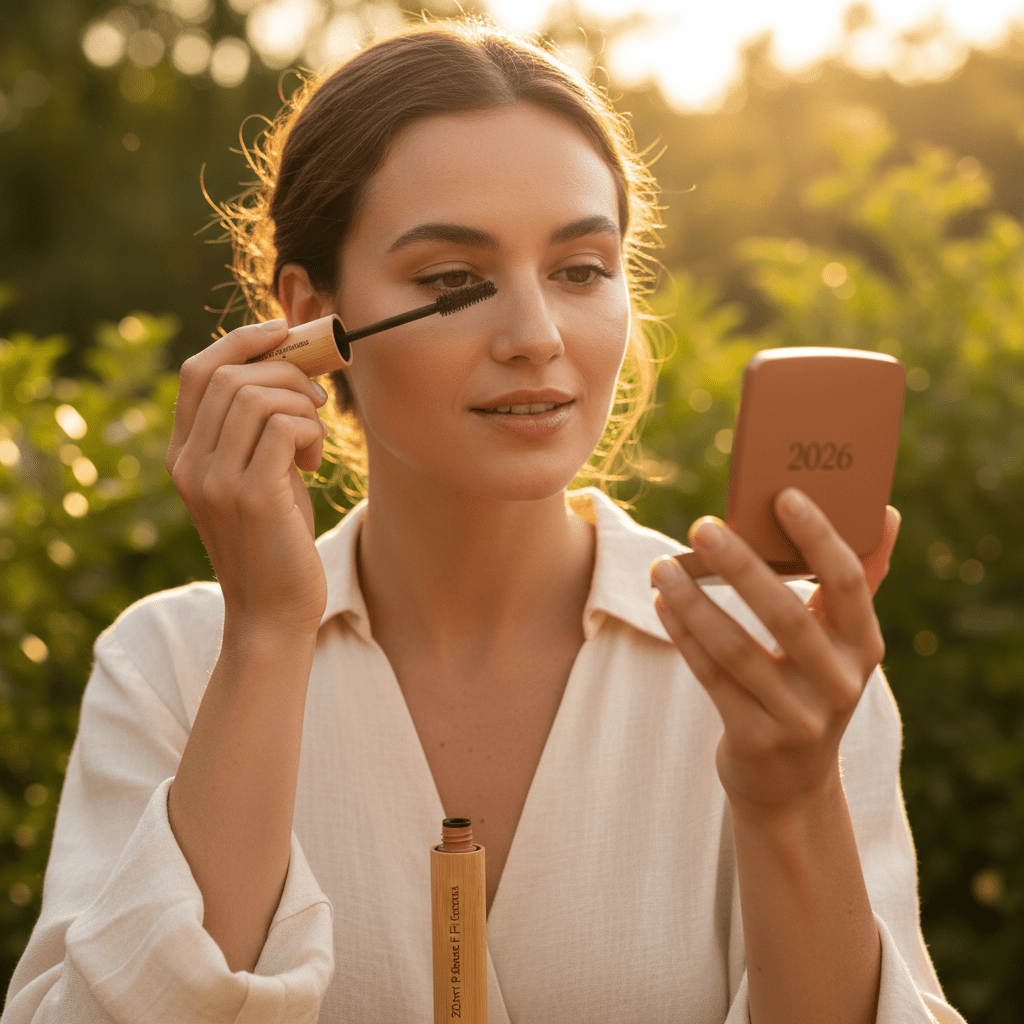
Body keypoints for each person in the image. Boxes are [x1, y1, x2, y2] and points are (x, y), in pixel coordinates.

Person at [3, 18, 965, 1024]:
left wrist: (792, 802)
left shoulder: (780, 664)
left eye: (580, 269)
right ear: (308, 318)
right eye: (453, 282)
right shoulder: (170, 667)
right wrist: (267, 635)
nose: (536, 337)